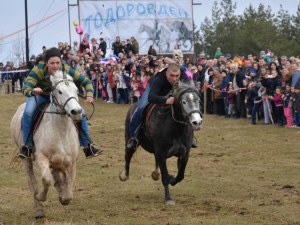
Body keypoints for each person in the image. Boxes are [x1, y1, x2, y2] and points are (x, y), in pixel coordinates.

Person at [19, 47, 103, 159]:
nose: (55, 66)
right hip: (40, 96)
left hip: (60, 97)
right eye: (52, 63)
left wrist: (89, 94)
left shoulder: (66, 69)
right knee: (28, 113)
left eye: (57, 62)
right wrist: (33, 91)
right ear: (46, 63)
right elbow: (26, 88)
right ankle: (27, 146)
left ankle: (88, 146)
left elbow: (86, 81)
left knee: (81, 113)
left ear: (61, 62)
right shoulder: (37, 70)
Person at [126, 63, 197, 150]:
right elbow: (151, 97)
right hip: (155, 90)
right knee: (141, 108)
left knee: (185, 109)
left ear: (180, 73)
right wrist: (165, 100)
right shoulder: (158, 79)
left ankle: (190, 137)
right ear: (167, 73)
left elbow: (189, 89)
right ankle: (134, 138)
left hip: (172, 90)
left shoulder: (183, 76)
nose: (174, 79)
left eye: (177, 76)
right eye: (172, 75)